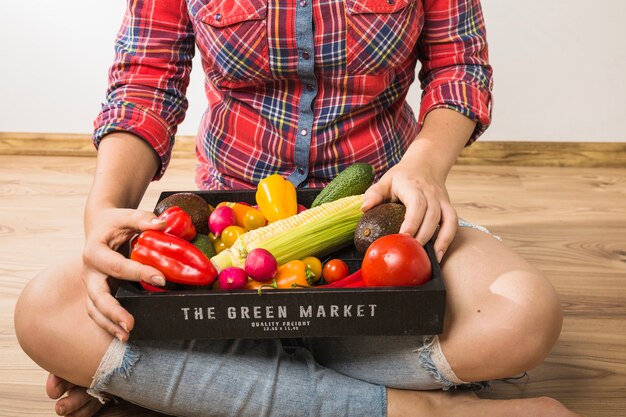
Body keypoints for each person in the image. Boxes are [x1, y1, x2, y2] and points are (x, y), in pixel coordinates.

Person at [14, 0, 580, 416]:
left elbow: (460, 69)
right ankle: (422, 409)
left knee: (525, 314)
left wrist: (425, 164)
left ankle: (195, 383)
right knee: (44, 310)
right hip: (228, 233)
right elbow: (144, 86)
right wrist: (103, 213)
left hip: (380, 215)